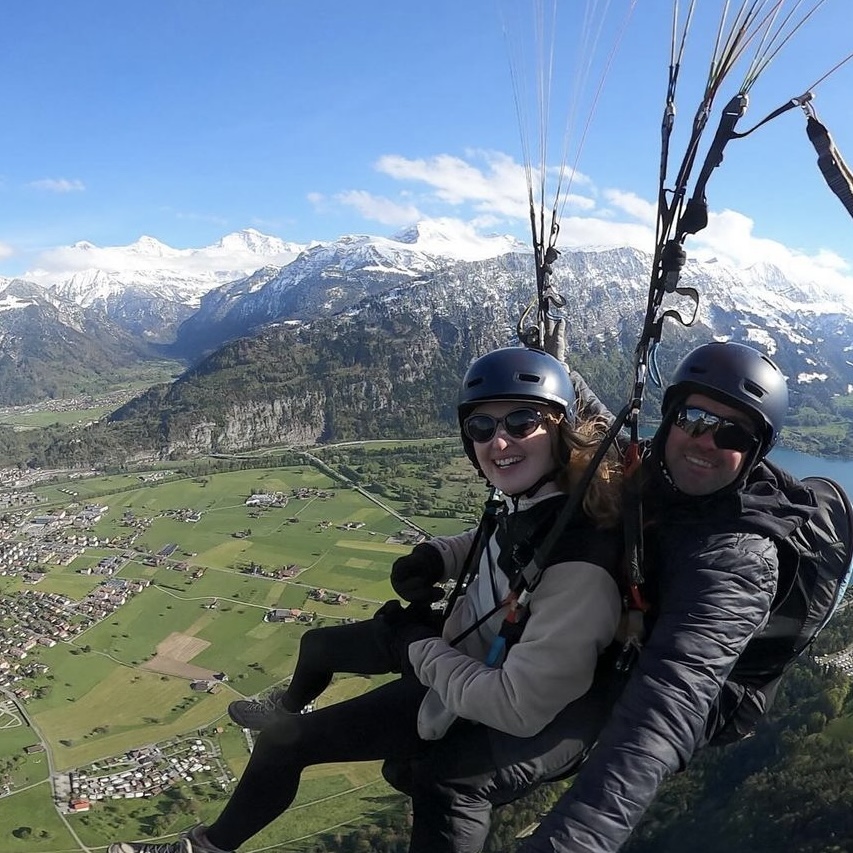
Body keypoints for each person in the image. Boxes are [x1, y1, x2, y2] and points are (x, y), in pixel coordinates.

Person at [106, 345, 625, 853]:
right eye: (482, 428)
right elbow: (497, 542)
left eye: (520, 422)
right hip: (457, 661)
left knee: (440, 785)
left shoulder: (580, 564)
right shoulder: (537, 502)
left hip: (497, 706)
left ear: (560, 428)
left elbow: (518, 706)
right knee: (283, 738)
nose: (499, 441)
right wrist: (434, 557)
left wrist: (415, 646)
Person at [511, 340, 818, 852]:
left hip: (694, 699)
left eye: (733, 433)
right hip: (638, 636)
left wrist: (573, 843)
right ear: (671, 417)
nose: (703, 440)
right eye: (694, 417)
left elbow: (661, 715)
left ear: (755, 452)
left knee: (465, 774)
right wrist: (558, 366)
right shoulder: (662, 474)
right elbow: (614, 437)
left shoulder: (738, 563)